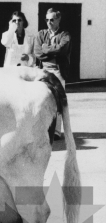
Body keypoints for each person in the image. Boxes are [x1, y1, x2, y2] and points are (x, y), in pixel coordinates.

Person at [34, 8, 71, 140]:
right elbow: (38, 53)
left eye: (52, 19)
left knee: (58, 101)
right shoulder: (41, 34)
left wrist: (46, 49)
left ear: (58, 20)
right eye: (47, 19)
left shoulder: (65, 35)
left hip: (58, 72)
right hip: (43, 71)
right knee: (41, 100)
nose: (49, 22)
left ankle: (56, 131)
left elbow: (62, 50)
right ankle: (42, 128)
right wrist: (51, 51)